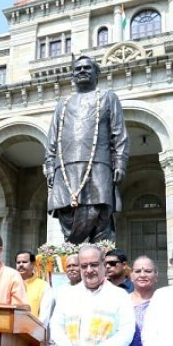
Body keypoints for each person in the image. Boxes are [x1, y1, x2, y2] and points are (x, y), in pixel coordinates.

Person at [44, 55, 129, 243]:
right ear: (72, 76)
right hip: (65, 169)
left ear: (97, 74)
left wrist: (120, 163)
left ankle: (99, 259)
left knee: (99, 215)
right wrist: (50, 167)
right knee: (67, 214)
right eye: (78, 69)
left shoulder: (108, 97)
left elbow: (119, 133)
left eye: (87, 68)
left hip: (98, 165)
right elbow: (52, 140)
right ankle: (72, 260)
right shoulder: (62, 105)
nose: (82, 71)